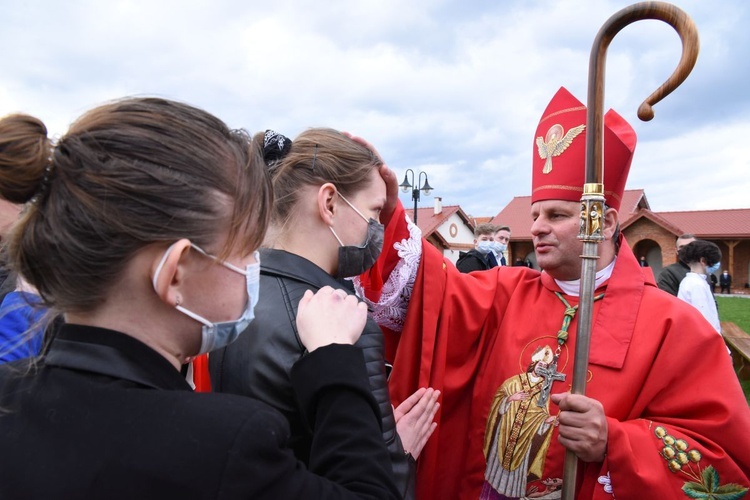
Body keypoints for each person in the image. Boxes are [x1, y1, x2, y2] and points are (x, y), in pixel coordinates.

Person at [356, 87, 750, 499]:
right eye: (535, 215)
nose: (539, 227)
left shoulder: (675, 327)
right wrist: (388, 214)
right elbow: (430, 296)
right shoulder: (503, 292)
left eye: (557, 215)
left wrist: (615, 441)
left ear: (607, 220)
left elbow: (726, 461)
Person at [0, 100, 402, 499]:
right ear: (175, 273)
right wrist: (334, 362)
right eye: (246, 249)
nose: (254, 266)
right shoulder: (223, 447)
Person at [209, 128, 439, 499]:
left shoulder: (236, 294)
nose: (377, 228)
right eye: (374, 211)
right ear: (329, 203)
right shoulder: (342, 319)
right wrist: (398, 452)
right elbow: (376, 485)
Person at [676, 240, 722, 334]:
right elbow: (706, 320)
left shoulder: (692, 281)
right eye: (714, 262)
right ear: (703, 261)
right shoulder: (696, 285)